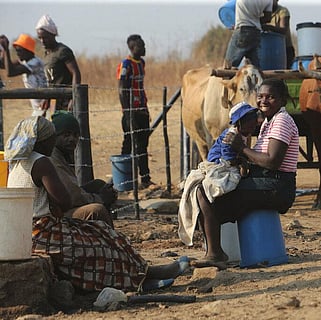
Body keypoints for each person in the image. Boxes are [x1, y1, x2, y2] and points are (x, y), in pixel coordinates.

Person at [5, 116, 189, 292]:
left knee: (100, 233)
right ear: (42, 140)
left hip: (28, 232)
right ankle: (137, 281)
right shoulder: (42, 162)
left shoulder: (18, 161)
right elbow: (65, 200)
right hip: (43, 232)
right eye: (52, 139)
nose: (53, 144)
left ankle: (144, 274)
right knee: (100, 244)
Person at [193, 78, 299, 265]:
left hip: (277, 186)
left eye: (271, 97)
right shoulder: (269, 121)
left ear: (282, 100)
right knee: (205, 188)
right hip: (268, 181)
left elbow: (273, 162)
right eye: (260, 97)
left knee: (205, 192)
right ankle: (215, 250)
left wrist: (241, 148)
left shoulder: (281, 121)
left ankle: (215, 253)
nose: (264, 101)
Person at [178, 101, 259, 246]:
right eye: (250, 121)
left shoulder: (244, 134)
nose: (254, 124)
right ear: (239, 123)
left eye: (255, 120)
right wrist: (242, 162)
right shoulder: (231, 136)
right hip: (218, 163)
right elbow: (227, 159)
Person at [50, 110, 117, 227]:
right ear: (55, 137)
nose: (72, 139)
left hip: (61, 206)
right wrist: (100, 199)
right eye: (66, 135)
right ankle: (111, 240)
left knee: (98, 185)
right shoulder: (52, 157)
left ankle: (99, 236)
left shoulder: (64, 154)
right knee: (97, 210)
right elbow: (72, 195)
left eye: (75, 135)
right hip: (52, 215)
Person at [117, 34, 155, 190]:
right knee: (128, 144)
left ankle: (145, 179)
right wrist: (127, 112)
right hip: (131, 111)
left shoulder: (142, 63)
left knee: (143, 145)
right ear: (133, 48)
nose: (145, 48)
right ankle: (124, 180)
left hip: (142, 110)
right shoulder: (126, 64)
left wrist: (145, 109)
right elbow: (121, 89)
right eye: (142, 46)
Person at [35, 14, 81, 111]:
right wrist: (47, 98)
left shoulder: (62, 51)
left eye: (45, 37)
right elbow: (51, 81)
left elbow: (75, 73)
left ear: (53, 35)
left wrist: (74, 97)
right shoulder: (47, 54)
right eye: (40, 38)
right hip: (55, 101)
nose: (42, 41)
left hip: (66, 99)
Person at [0, 33, 48, 116]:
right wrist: (3, 50)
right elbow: (3, 65)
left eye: (19, 50)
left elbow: (10, 72)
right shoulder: (25, 61)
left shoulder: (35, 63)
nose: (17, 53)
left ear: (28, 51)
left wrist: (6, 49)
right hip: (38, 107)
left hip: (43, 107)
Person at [224, 0, 273, 68]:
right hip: (256, 32)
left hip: (242, 31)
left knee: (229, 65)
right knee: (254, 68)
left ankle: (227, 77)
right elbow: (268, 18)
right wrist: (253, 20)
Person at [262, 0, 295, 68]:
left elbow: (283, 29)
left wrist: (268, 27)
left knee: (284, 73)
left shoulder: (283, 11)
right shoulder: (262, 13)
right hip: (267, 49)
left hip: (284, 49)